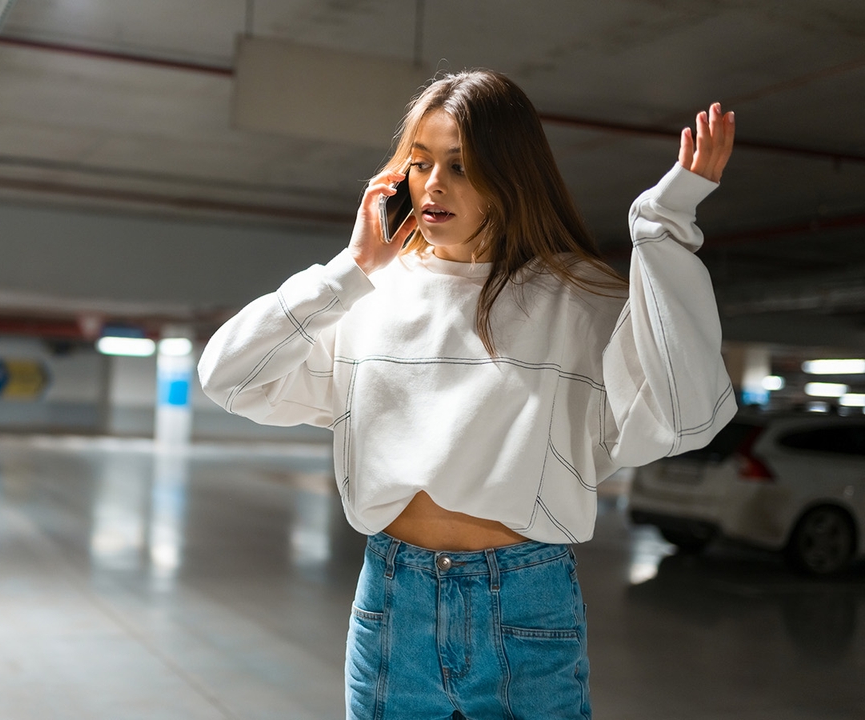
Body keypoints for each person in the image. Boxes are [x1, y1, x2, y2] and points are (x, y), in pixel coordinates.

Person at [197, 70, 736, 719]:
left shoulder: (579, 301)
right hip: (392, 598)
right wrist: (351, 270)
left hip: (524, 602)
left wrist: (663, 225)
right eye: (420, 163)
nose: (433, 184)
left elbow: (686, 413)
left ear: (510, 174)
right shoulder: (370, 296)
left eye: (460, 164)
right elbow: (228, 374)